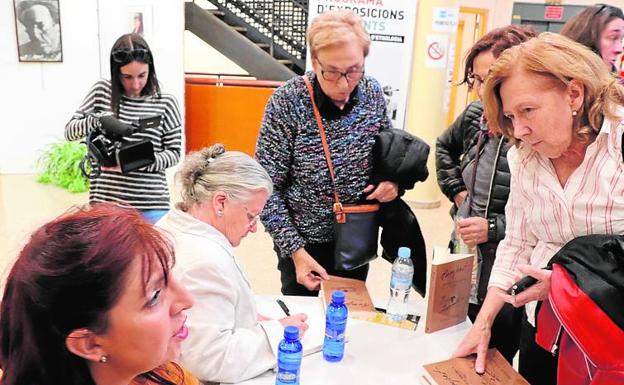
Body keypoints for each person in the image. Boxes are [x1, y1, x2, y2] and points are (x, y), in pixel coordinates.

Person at [453, 33, 624, 385]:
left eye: (528, 110)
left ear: (574, 94)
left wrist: (569, 284)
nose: (521, 130)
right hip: (544, 328)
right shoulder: (525, 159)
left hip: (612, 335)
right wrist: (483, 323)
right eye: (511, 117)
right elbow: (516, 243)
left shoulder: (617, 144)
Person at [256, 10, 407, 296]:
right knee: (307, 323)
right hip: (302, 244)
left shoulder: (372, 92)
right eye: (332, 72)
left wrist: (392, 184)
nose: (344, 83)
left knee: (349, 319)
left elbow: (390, 156)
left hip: (356, 235)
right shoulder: (287, 102)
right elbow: (265, 188)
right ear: (314, 62)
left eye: (354, 70)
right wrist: (295, 251)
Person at [156, 144, 309, 383]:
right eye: (251, 216)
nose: (254, 227)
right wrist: (279, 332)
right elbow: (212, 359)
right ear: (220, 203)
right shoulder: (204, 260)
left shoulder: (172, 224)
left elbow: (206, 313)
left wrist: (247, 316)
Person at [0, 203, 198, 385]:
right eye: (155, 295)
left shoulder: (170, 376)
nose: (187, 300)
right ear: (90, 344)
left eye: (169, 275)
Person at [435, 25, 536, 363]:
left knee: (496, 349)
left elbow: (544, 218)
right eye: (476, 80)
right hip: (465, 251)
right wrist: (458, 194)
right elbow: (443, 147)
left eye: (489, 78)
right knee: (455, 330)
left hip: (510, 261)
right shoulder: (476, 116)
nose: (481, 90)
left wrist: (492, 227)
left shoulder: (531, 133)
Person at [65, 33, 182, 224]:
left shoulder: (166, 102)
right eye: (127, 77)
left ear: (150, 70)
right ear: (116, 72)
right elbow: (70, 132)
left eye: (142, 75)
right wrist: (99, 120)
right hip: (106, 206)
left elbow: (174, 153)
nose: (135, 84)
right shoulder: (101, 91)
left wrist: (133, 161)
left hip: (151, 208)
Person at [560, 3, 624, 73]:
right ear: (586, 38)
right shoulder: (553, 81)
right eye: (613, 37)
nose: (620, 49)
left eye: (621, 40)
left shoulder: (615, 81)